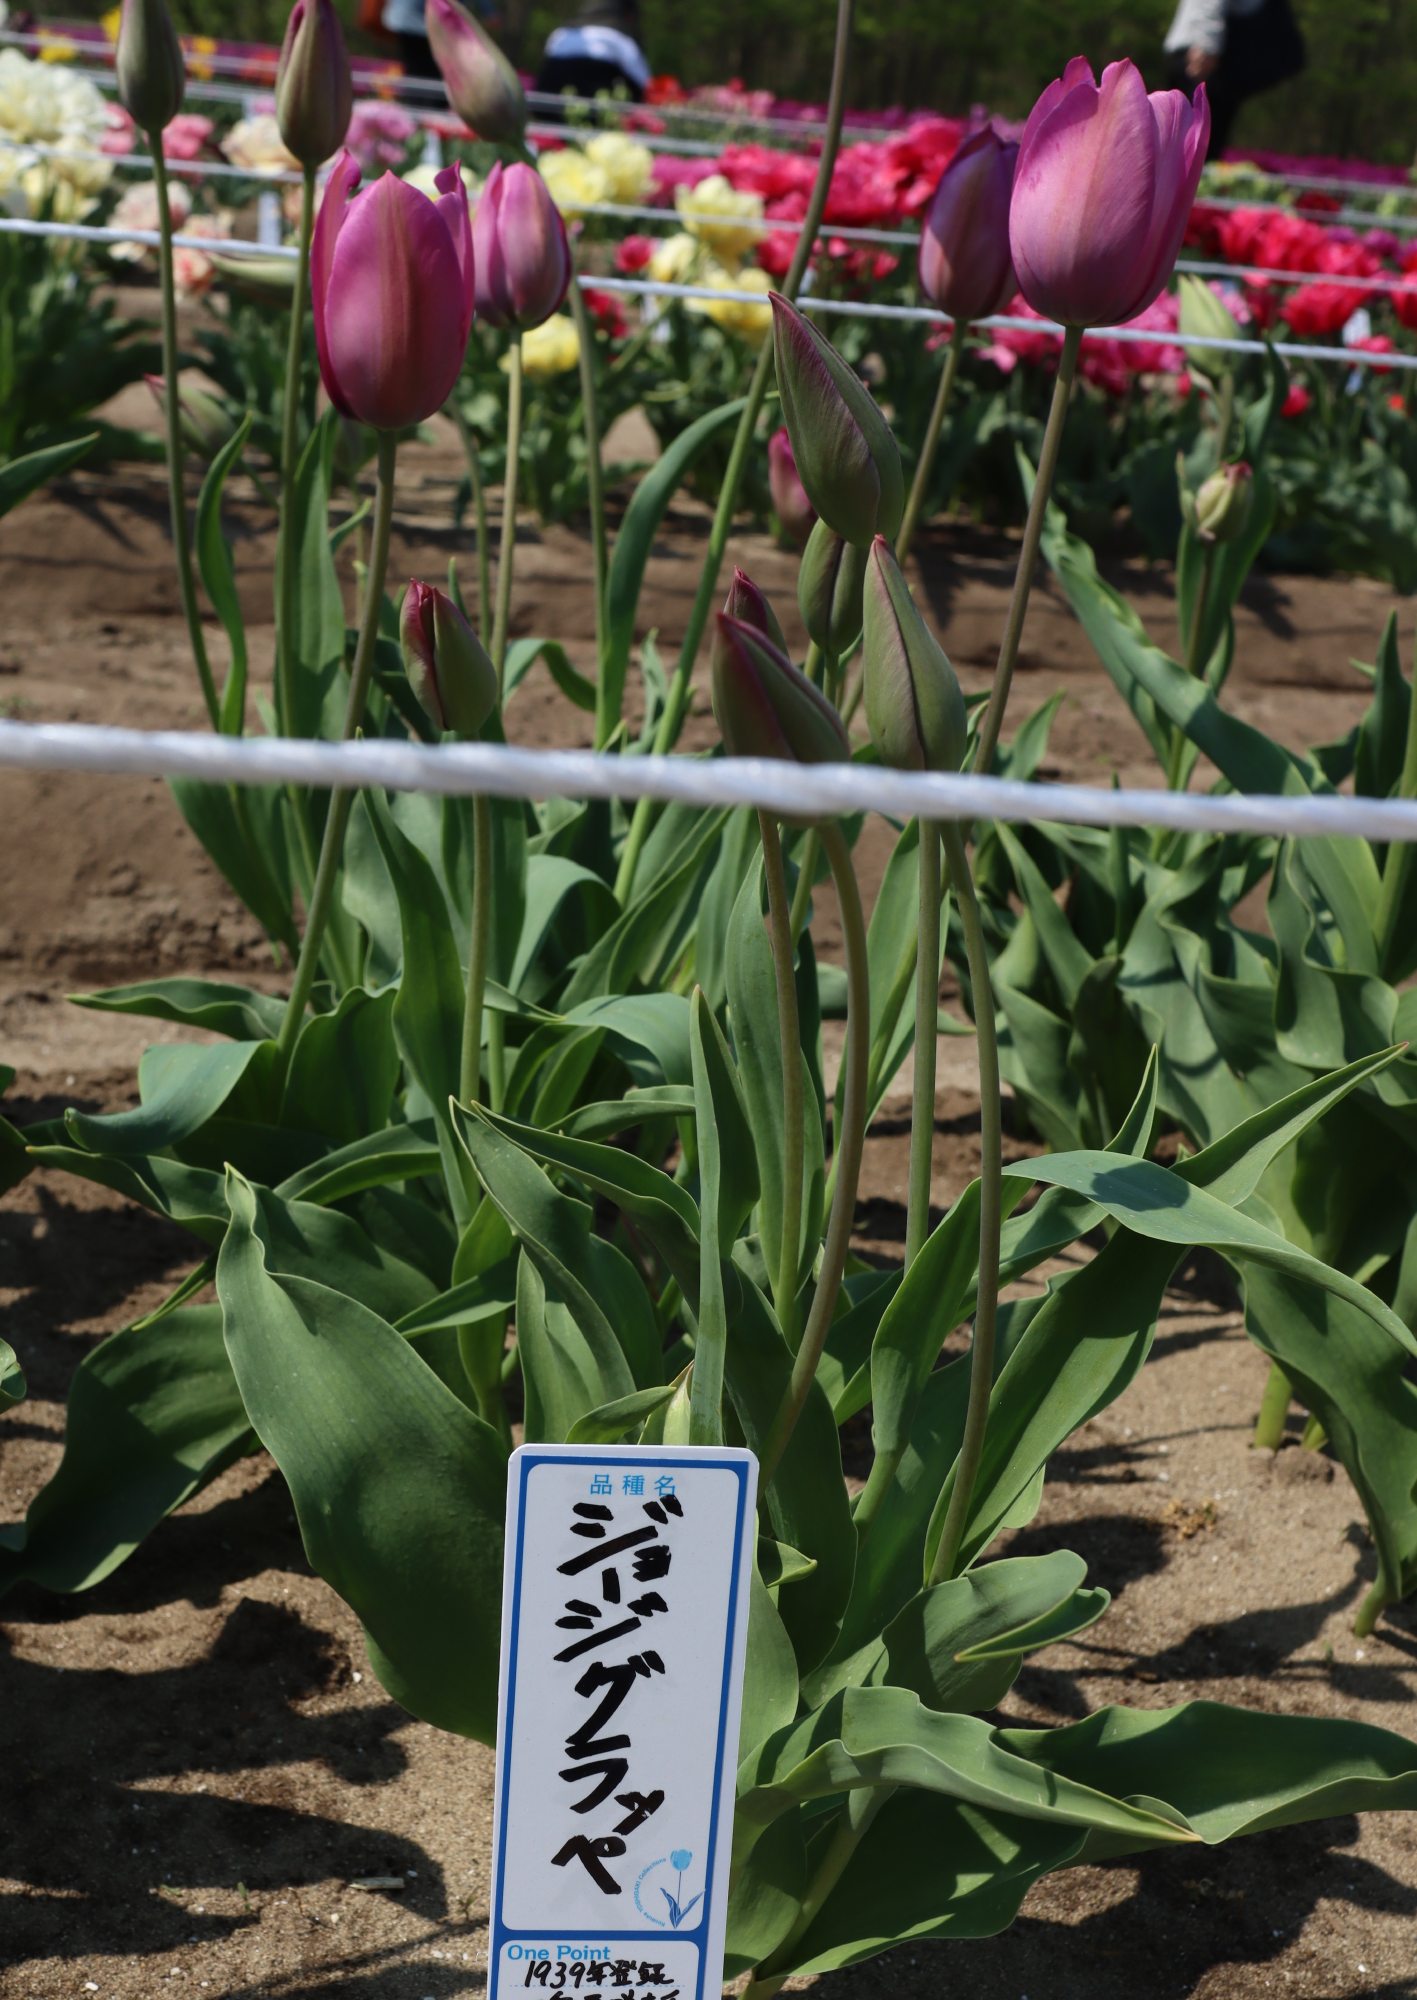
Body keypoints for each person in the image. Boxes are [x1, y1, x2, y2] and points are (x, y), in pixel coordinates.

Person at [1164, 0, 1306, 158]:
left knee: (1202, 141)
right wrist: (1206, 45)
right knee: (1190, 143)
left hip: (1216, 59)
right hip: (1202, 57)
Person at [535, 0, 650, 110]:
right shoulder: (621, 41)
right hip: (600, 114)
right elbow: (645, 86)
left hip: (547, 109)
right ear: (628, 16)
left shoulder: (560, 35)